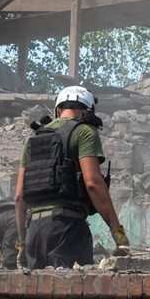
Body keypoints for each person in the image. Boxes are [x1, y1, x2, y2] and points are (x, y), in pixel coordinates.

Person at [14, 86, 129, 269]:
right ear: (87, 111)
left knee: (40, 295)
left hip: (34, 232)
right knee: (76, 294)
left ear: (58, 109)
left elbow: (20, 196)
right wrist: (119, 236)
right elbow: (93, 184)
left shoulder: (34, 138)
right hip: (66, 228)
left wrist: (22, 244)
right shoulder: (84, 132)